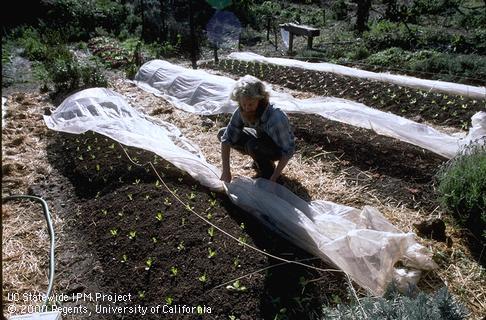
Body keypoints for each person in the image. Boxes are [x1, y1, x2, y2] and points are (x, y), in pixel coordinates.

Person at [218, 75, 295, 183]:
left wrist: (274, 177)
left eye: (251, 104)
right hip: (260, 139)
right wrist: (226, 171)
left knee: (253, 146)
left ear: (260, 100)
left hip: (276, 148)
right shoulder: (242, 111)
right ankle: (259, 159)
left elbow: (288, 151)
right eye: (243, 104)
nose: (247, 108)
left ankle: (268, 171)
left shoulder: (275, 118)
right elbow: (227, 139)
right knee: (222, 132)